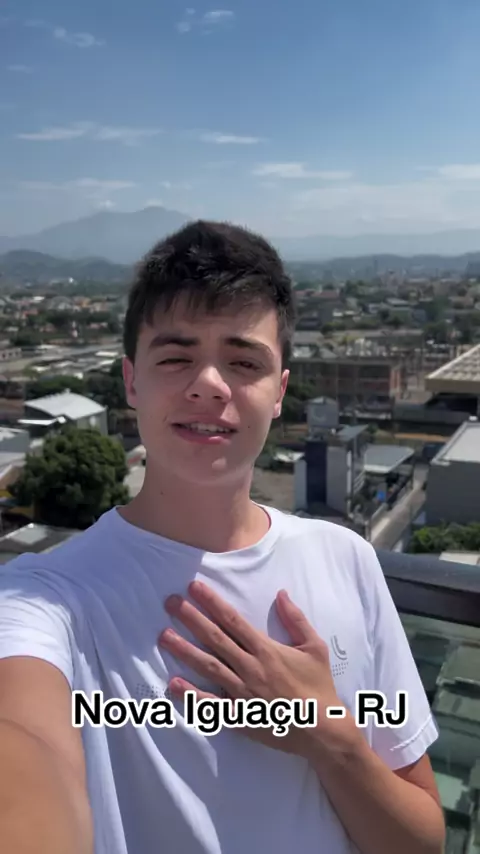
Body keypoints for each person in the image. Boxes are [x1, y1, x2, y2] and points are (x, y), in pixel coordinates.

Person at [0, 220, 445, 854]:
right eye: (176, 357)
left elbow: (422, 842)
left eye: (243, 362)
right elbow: (24, 741)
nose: (208, 383)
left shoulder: (346, 558)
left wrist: (330, 737)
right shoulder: (45, 597)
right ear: (131, 381)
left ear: (280, 391)